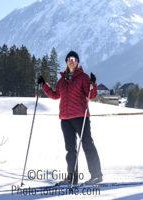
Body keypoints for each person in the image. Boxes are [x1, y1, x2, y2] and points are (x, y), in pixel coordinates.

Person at [37, 50, 103, 185]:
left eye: (74, 59)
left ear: (77, 62)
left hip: (80, 117)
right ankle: (72, 178)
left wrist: (93, 84)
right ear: (66, 62)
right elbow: (55, 95)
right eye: (69, 59)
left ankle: (96, 175)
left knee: (87, 145)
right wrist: (44, 85)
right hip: (65, 119)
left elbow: (90, 95)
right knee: (70, 149)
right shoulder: (62, 80)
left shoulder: (83, 77)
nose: (71, 61)